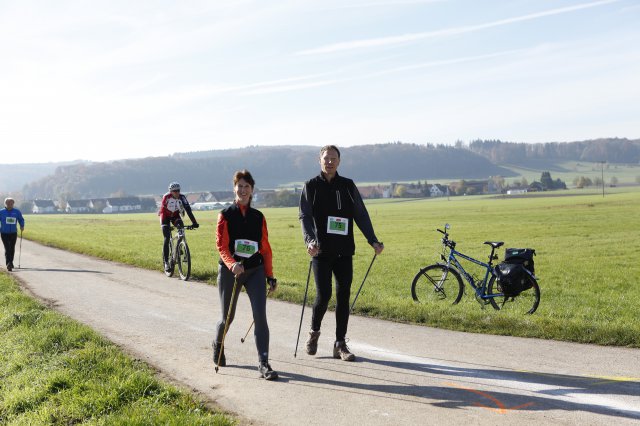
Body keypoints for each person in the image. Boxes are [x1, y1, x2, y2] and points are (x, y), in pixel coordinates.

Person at [299, 145, 384, 361]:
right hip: (321, 251)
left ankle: (340, 344)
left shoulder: (347, 186)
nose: (329, 162)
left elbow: (360, 214)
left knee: (344, 295)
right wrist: (310, 241)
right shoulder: (311, 186)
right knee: (324, 295)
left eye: (333, 159)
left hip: (344, 250)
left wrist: (373, 239)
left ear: (339, 161)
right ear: (319, 160)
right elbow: (305, 216)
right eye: (326, 158)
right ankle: (314, 332)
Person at [213, 170, 279, 380]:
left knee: (260, 316)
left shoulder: (258, 217)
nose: (243, 190)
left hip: (254, 270)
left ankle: (264, 362)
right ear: (234, 189)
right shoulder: (225, 215)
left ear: (252, 190)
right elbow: (222, 246)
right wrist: (232, 264)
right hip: (230, 272)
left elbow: (265, 249)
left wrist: (270, 276)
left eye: (246, 187)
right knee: (227, 317)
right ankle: (218, 343)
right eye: (239, 186)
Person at [158, 182, 199, 272]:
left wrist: (194, 222)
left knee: (181, 227)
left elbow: (188, 210)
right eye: (175, 191)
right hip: (165, 216)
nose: (177, 192)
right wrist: (166, 226)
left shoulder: (182, 197)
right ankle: (166, 262)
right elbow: (163, 209)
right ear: (171, 191)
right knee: (167, 237)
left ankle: (180, 246)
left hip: (175, 216)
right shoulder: (166, 197)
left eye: (178, 190)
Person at [0, 198, 25, 272]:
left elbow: (21, 219)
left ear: (13, 204)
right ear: (5, 204)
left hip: (13, 233)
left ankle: (10, 262)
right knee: (7, 248)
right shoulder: (1, 212)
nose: (10, 205)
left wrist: (22, 225)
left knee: (12, 248)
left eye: (11, 204)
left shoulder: (17, 212)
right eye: (8, 203)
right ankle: (9, 263)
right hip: (4, 233)